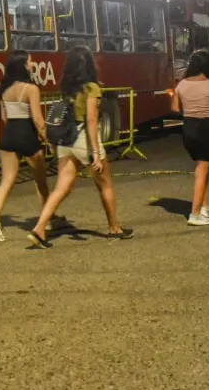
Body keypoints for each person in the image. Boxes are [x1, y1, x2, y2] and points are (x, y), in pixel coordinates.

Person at [27, 46, 132, 248]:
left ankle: (40, 228)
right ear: (90, 65)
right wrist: (96, 152)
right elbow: (92, 120)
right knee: (105, 185)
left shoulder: (68, 88)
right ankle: (114, 229)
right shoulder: (92, 87)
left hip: (66, 142)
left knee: (61, 188)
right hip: (84, 140)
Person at [0, 50, 54, 242]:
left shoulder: (4, 89)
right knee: (40, 182)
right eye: (30, 62)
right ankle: (46, 220)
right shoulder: (31, 88)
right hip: (26, 134)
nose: (32, 64)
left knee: (6, 182)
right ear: (23, 65)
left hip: (9, 135)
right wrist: (48, 139)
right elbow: (38, 119)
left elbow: (4, 117)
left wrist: (13, 133)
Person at [172, 50, 209, 226]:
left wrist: (190, 110)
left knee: (202, 166)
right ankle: (195, 214)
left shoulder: (181, 85)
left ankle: (204, 205)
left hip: (188, 128)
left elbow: (174, 108)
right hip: (205, 128)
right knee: (202, 169)